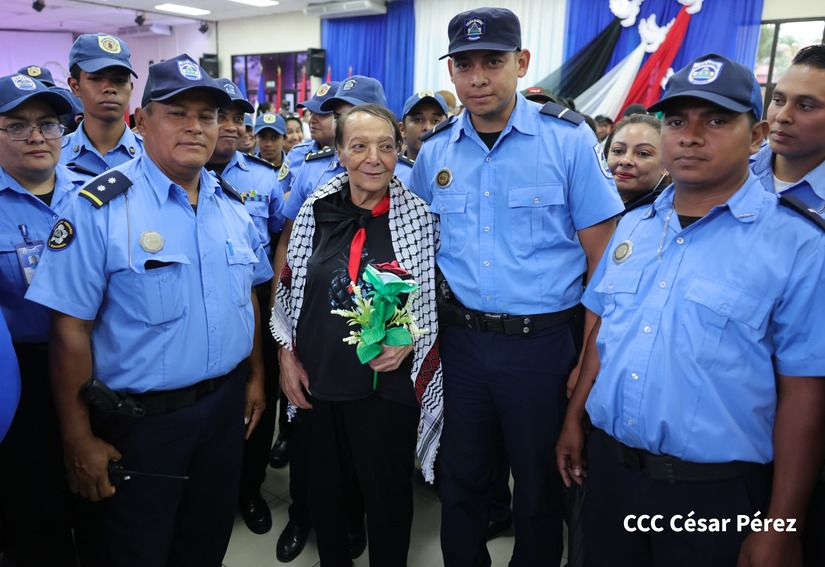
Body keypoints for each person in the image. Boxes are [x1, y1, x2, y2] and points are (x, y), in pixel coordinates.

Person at [556, 53, 825, 567]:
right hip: (612, 472)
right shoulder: (634, 227)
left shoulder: (798, 245)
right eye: (677, 121)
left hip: (713, 495)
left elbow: (804, 395)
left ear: (756, 136)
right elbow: (605, 333)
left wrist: (781, 526)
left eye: (716, 120)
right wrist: (574, 418)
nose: (691, 136)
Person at [25, 54, 274, 567]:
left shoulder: (232, 207)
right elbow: (70, 329)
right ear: (141, 120)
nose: (195, 127)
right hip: (142, 426)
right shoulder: (98, 208)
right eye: (177, 113)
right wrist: (78, 438)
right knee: (134, 551)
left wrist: (254, 377)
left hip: (223, 411)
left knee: (206, 543)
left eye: (206, 116)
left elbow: (246, 296)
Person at [409, 8, 623, 566]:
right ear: (451, 72)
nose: (478, 77)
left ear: (521, 63)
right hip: (460, 345)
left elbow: (604, 264)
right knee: (460, 479)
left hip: (542, 348)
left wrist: (588, 357)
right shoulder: (435, 151)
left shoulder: (568, 140)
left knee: (539, 487)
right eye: (464, 65)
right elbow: (414, 252)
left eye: (493, 62)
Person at [273, 103, 441, 567]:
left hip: (387, 388)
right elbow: (290, 290)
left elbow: (433, 300)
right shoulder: (316, 210)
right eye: (359, 145)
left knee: (387, 496)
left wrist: (410, 337)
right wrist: (286, 356)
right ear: (340, 153)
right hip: (321, 379)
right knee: (325, 491)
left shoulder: (420, 219)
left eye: (386, 146)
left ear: (400, 150)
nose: (373, 158)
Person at [0, 72, 86, 567]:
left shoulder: (93, 194)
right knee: (36, 499)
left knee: (95, 487)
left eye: (48, 123)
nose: (37, 136)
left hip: (95, 363)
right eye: (18, 125)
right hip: (23, 374)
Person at [750, 44, 825, 567]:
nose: (782, 115)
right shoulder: (728, 175)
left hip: (800, 402)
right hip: (718, 411)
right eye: (779, 99)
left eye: (807, 105)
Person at [207, 78, 285, 536]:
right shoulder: (175, 171)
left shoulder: (262, 177)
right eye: (221, 116)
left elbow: (276, 238)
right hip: (201, 305)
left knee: (259, 399)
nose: (231, 126)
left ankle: (250, 488)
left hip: (253, 299)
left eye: (238, 118)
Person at [60, 33, 142, 175]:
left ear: (131, 88)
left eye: (120, 80)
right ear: (75, 86)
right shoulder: (55, 156)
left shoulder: (155, 154)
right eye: (96, 78)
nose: (109, 88)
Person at [605, 113, 669, 208]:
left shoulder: (668, 213)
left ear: (666, 165)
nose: (625, 161)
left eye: (643, 153)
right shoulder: (591, 202)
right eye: (618, 151)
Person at [399, 90, 448, 161]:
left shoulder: (457, 167)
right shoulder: (392, 167)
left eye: (435, 121)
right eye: (418, 120)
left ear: (448, 128)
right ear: (402, 130)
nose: (428, 128)